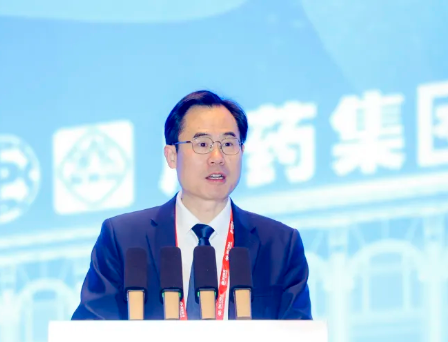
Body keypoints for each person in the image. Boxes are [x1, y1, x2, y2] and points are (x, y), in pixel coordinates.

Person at [71, 90, 312, 320]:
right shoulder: (123, 238)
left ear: (242, 151)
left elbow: (300, 339)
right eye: (203, 144)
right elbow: (89, 333)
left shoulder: (280, 245)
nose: (217, 157)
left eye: (228, 144)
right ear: (171, 155)